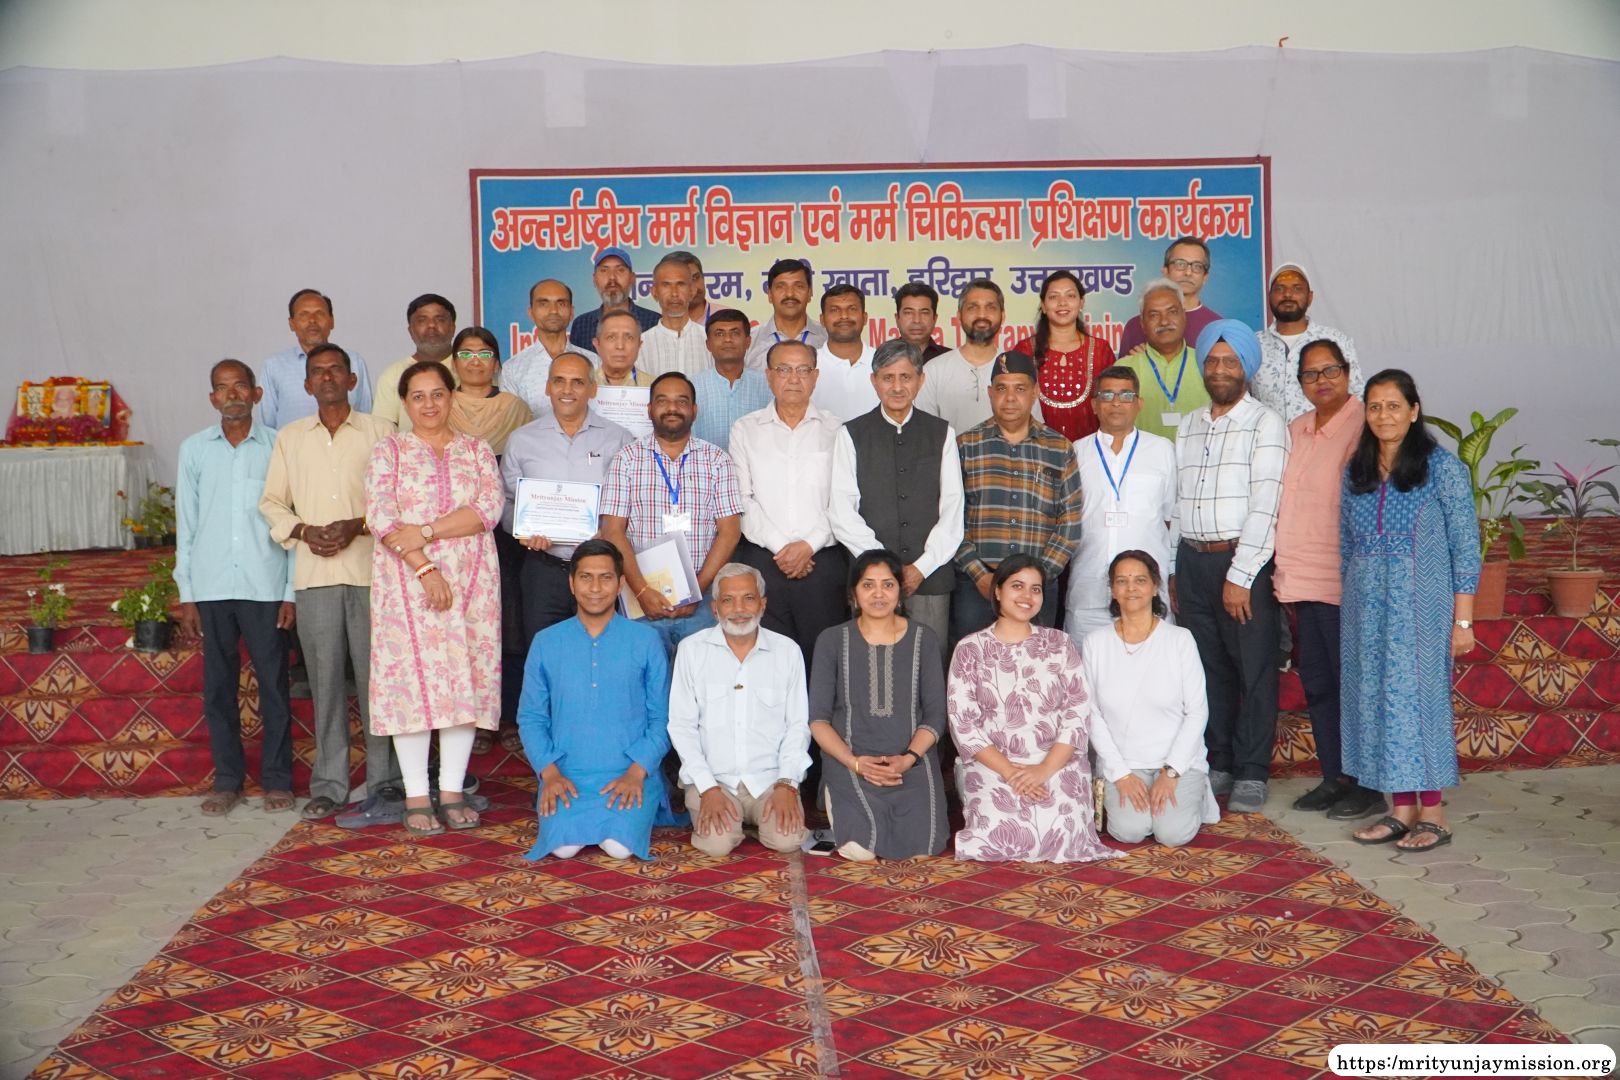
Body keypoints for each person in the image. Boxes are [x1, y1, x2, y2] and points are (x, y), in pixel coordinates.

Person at [259, 343, 402, 826]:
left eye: (335, 370)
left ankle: (384, 782)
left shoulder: (383, 432)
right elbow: (272, 502)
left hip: (374, 574)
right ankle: (330, 785)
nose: (326, 378)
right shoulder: (291, 437)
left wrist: (357, 525)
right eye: (317, 372)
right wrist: (303, 530)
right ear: (306, 385)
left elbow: (401, 499)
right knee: (325, 684)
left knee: (378, 683)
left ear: (352, 379)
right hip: (316, 577)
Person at [365, 361, 503, 836]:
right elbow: (381, 518)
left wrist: (425, 530)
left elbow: (487, 510)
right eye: (418, 396)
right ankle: (417, 795)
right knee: (413, 684)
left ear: (452, 397)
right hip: (407, 585)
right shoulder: (389, 452)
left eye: (438, 394)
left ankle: (451, 790)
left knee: (464, 679)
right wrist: (425, 568)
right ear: (405, 403)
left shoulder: (476, 450)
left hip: (472, 583)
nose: (429, 404)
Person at [1343, 370, 1479, 852]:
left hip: (1421, 607)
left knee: (1420, 703)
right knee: (1380, 703)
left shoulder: (1442, 468)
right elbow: (1346, 546)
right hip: (1366, 609)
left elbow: (1466, 547)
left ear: (1414, 410)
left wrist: (1463, 620)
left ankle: (1434, 812)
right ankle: (1401, 810)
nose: (1384, 415)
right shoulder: (1357, 471)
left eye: (1394, 405)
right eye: (1375, 406)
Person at [1173, 320, 1288, 815]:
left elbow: (1267, 504)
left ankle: (1252, 769)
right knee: (1208, 667)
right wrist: (1173, 569)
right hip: (1191, 560)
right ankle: (1218, 758)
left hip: (1242, 563)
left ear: (1246, 368)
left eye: (1231, 361)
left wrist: (1241, 576)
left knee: (1254, 670)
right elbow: (1177, 500)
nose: (1220, 369)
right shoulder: (1190, 424)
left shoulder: (1266, 423)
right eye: (1213, 361)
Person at [175, 360, 296, 816]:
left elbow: (292, 519)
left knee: (274, 687)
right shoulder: (194, 450)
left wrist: (291, 590)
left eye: (240, 386)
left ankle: (278, 780)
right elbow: (186, 524)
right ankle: (227, 781)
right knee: (218, 689)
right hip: (212, 586)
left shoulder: (279, 446)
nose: (232, 395)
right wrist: (187, 592)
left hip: (265, 585)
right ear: (212, 398)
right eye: (222, 388)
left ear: (257, 393)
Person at [500, 354, 634, 757]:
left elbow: (631, 501)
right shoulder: (522, 439)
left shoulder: (619, 439)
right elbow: (506, 504)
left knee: (602, 658)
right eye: (559, 381)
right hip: (544, 568)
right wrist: (522, 531)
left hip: (599, 572)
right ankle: (548, 749)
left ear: (592, 388)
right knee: (546, 659)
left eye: (577, 382)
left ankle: (600, 746)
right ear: (547, 387)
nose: (567, 390)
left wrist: (609, 532)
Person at [947, 554, 1118, 863]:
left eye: (1035, 589)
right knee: (999, 836)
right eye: (1017, 586)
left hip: (1055, 763)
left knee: (1063, 835)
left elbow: (1077, 713)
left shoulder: (1060, 643)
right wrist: (1011, 772)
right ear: (997, 590)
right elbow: (964, 724)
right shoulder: (970, 648)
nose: (1027, 596)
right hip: (995, 766)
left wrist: (1043, 769)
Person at [1275, 340, 1384, 820]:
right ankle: (1335, 776)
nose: (1321, 381)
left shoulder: (1366, 426)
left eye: (1330, 370)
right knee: (1319, 685)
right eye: (1311, 374)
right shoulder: (1296, 428)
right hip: (1301, 580)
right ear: (1299, 382)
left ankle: (1368, 784)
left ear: (1347, 372)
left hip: (1345, 583)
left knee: (1353, 686)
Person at [518, 540, 672, 861]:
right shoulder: (546, 642)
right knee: (562, 849)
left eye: (605, 578)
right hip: (566, 775)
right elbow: (531, 718)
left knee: (619, 848)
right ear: (571, 583)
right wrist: (549, 773)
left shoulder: (646, 640)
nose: (595, 588)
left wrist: (637, 771)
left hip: (630, 772)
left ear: (620, 583)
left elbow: (662, 718)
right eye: (586, 577)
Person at [809, 550, 948, 861]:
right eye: (868, 585)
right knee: (860, 851)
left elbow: (936, 715)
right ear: (854, 594)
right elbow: (818, 719)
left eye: (888, 584)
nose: (878, 594)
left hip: (911, 764)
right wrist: (855, 762)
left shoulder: (923, 638)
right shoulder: (831, 640)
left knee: (921, 850)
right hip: (850, 762)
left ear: (900, 592)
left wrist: (908, 759)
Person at [828, 339, 963, 661]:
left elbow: (953, 508)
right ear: (874, 381)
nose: (897, 387)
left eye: (906, 377)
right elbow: (842, 510)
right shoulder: (851, 434)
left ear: (920, 380)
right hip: (869, 579)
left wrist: (920, 568)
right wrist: (883, 570)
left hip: (929, 577)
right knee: (870, 664)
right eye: (888, 378)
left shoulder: (942, 433)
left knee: (928, 663)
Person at [668, 564, 810, 856]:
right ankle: (736, 822)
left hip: (770, 780)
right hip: (714, 779)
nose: (739, 609)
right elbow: (681, 726)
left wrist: (787, 784)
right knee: (716, 844)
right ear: (715, 608)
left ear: (763, 604)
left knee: (787, 840)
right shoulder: (691, 650)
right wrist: (707, 788)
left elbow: (798, 725)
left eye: (748, 598)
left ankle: (752, 821)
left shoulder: (787, 651)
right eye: (728, 600)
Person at [1082, 551, 1221, 846]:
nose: (1131, 588)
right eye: (1122, 581)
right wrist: (1120, 774)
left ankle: (1197, 795)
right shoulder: (1096, 643)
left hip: (1177, 762)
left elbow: (1197, 712)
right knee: (1129, 831)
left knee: (1171, 834)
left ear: (1155, 586)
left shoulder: (1180, 639)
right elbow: (1091, 713)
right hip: (1124, 763)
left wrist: (1172, 772)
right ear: (1112, 589)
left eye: (1140, 580)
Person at [600, 371, 744, 656]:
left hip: (702, 600)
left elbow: (730, 532)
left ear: (694, 410)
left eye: (682, 401)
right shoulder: (626, 459)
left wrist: (696, 590)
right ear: (649, 409)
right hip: (641, 599)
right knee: (645, 679)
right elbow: (612, 531)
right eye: (663, 401)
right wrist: (642, 591)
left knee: (701, 679)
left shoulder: (717, 460)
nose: (672, 408)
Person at [730, 341, 849, 670]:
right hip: (764, 561)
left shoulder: (838, 430)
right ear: (768, 376)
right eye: (783, 370)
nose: (793, 378)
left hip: (823, 562)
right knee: (766, 662)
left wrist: (808, 545)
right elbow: (742, 499)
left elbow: (843, 498)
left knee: (823, 660)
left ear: (815, 377)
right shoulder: (745, 429)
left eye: (802, 370)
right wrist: (783, 548)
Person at [953, 351, 1081, 639]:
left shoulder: (1059, 449)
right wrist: (979, 574)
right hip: (978, 586)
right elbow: (951, 519)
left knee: (1037, 663)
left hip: (1037, 589)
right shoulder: (966, 446)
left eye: (1020, 389)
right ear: (990, 393)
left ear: (1035, 393)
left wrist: (1036, 579)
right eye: (1001, 388)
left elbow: (1070, 524)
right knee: (974, 662)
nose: (1010, 398)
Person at [1067, 366, 1178, 640]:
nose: (1116, 402)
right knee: (1087, 665)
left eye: (1125, 395)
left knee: (1151, 665)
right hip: (1089, 590)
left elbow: (1174, 518)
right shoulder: (1075, 452)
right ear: (1094, 405)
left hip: (1149, 593)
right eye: (1107, 395)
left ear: (1139, 403)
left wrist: (1174, 574)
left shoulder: (1162, 450)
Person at [1012, 270, 1118, 441]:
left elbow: (1113, 403)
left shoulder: (1101, 350)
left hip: (1091, 450)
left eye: (1070, 296)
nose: (1062, 303)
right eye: (1053, 297)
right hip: (1036, 449)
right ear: (1043, 306)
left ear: (1081, 302)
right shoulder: (1024, 349)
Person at [1252, 263, 1365, 422]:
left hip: (1326, 436)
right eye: (1280, 288)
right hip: (1268, 437)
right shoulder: (1253, 344)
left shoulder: (1336, 340)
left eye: (1297, 288)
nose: (1288, 294)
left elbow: (1357, 396)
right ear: (1269, 296)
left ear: (1310, 297)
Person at [258, 289, 373, 428]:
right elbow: (267, 427)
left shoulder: (354, 361)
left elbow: (366, 418)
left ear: (332, 321)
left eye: (320, 314)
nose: (312, 321)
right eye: (304, 315)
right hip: (293, 443)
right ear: (291, 323)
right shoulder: (274, 366)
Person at [1115, 278, 1210, 441]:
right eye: (1154, 315)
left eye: (1172, 312)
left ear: (1184, 316)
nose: (1164, 321)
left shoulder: (1207, 364)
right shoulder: (1124, 369)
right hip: (1143, 457)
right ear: (1142, 323)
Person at [914, 278, 1005, 435]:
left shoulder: (1016, 369)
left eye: (990, 307)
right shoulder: (934, 371)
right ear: (959, 316)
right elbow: (925, 436)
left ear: (1002, 316)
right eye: (972, 307)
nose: (981, 314)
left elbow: (1032, 431)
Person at [502, 279, 601, 415]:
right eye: (543, 304)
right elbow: (511, 421)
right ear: (531, 312)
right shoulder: (513, 369)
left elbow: (601, 416)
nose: (553, 311)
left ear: (571, 312)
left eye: (561, 303)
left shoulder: (594, 362)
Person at [1117, 237, 1224, 356]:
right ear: (1165, 271)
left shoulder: (1218, 327)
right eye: (1180, 264)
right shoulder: (1135, 326)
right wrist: (1138, 362)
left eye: (1197, 266)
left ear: (1205, 277)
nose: (1188, 273)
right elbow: (1123, 368)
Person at [372, 294, 457, 431]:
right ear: (410, 330)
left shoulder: (470, 368)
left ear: (453, 327)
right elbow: (383, 430)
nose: (431, 326)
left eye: (440, 319)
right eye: (422, 320)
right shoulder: (392, 375)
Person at [691, 308, 770, 451]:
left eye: (735, 333)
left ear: (748, 341)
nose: (727, 339)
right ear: (708, 344)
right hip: (704, 465)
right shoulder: (692, 387)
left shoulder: (768, 385)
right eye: (719, 334)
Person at [445, 327, 532, 456]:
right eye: (466, 355)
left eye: (485, 354)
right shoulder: (442, 406)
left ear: (496, 364)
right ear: (454, 364)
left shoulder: (515, 408)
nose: (475, 362)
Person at [568, 247, 660, 352]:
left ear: (632, 278)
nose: (612, 277)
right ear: (594, 279)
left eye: (620, 270)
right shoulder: (582, 325)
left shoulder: (654, 321)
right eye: (604, 270)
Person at [810, 284, 878, 422]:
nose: (844, 316)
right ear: (822, 320)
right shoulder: (807, 366)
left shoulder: (885, 363)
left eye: (852, 309)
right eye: (834, 310)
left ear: (865, 317)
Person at [745, 258, 826, 370]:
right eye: (781, 287)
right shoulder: (749, 342)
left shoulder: (827, 338)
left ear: (809, 293)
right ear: (770, 295)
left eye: (798, 286)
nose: (790, 294)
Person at [640, 253, 711, 378]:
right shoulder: (641, 345)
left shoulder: (710, 341)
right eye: (666, 285)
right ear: (654, 292)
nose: (674, 293)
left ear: (692, 291)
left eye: (681, 284)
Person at [593, 309, 653, 387]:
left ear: (639, 344)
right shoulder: (585, 384)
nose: (620, 346)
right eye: (611, 337)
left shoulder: (654, 386)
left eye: (629, 338)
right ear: (597, 344)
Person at [894, 281, 951, 365]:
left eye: (924, 313)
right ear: (897, 318)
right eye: (908, 313)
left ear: (934, 318)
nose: (917, 320)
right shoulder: (882, 357)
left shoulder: (950, 359)